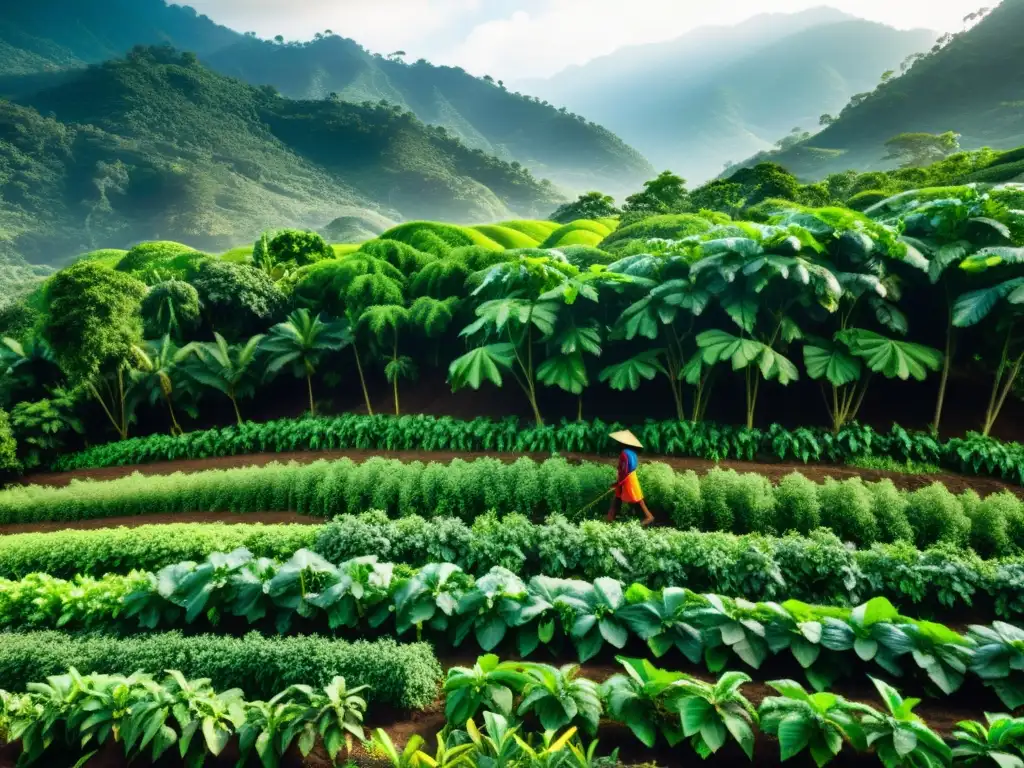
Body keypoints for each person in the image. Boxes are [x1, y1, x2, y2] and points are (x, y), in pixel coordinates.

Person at [607, 430, 655, 526]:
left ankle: (648, 518)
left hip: (627, 480)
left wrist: (618, 483)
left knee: (637, 500)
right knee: (618, 499)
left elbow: (625, 470)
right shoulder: (632, 453)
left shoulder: (624, 453)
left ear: (622, 443)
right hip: (630, 478)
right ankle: (610, 519)